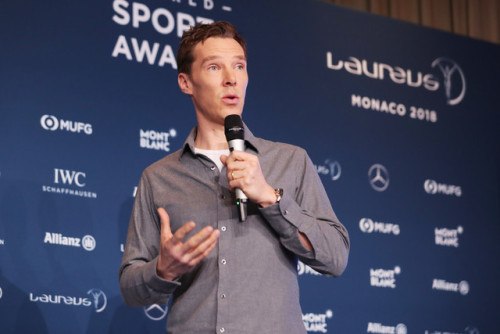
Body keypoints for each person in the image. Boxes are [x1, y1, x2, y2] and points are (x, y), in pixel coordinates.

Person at [119, 21, 350, 334]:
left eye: (239, 66)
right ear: (186, 82)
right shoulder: (158, 178)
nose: (231, 79)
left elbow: (335, 258)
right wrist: (163, 269)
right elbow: (131, 289)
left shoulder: (290, 161)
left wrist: (270, 197)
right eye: (214, 67)